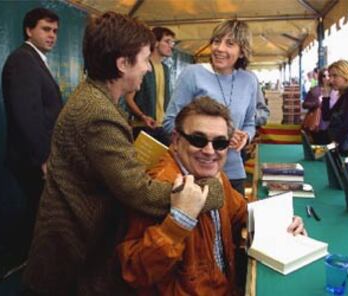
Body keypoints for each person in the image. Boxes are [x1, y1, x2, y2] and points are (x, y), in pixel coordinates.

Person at [22, 12, 223, 295]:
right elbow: (140, 194)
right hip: (70, 260)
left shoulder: (97, 100)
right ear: (122, 64)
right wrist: (207, 193)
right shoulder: (98, 113)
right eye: (143, 59)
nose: (148, 69)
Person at [117, 97, 306, 295]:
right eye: (198, 140)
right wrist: (178, 222)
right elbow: (133, 271)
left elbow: (241, 211)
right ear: (176, 140)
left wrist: (282, 221)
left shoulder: (214, 176)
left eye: (220, 143)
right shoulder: (158, 186)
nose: (209, 151)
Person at [163, 19, 258, 195]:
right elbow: (169, 123)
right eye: (216, 41)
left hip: (233, 173)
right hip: (195, 173)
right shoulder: (192, 74)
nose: (220, 48)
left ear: (242, 51)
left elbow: (250, 123)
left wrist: (245, 138)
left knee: (235, 221)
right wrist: (205, 138)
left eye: (230, 44)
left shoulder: (249, 80)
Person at [1, 7, 62, 258]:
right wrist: (43, 158)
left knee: (38, 214)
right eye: (45, 29)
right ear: (29, 30)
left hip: (36, 156)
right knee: (36, 215)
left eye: (55, 31)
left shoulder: (32, 59)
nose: (52, 36)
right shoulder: (23, 60)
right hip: (33, 158)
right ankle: (29, 269)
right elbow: (28, 114)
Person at [124, 27, 175, 145]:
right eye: (167, 41)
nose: (171, 46)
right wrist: (143, 117)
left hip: (161, 127)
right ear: (156, 43)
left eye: (172, 42)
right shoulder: (144, 67)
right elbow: (128, 98)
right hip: (143, 127)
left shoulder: (165, 69)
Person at [302, 68, 338, 144]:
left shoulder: (336, 90)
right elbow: (304, 104)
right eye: (324, 76)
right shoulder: (315, 90)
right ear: (320, 78)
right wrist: (316, 104)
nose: (327, 78)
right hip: (318, 123)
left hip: (332, 124)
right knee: (319, 143)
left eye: (329, 75)